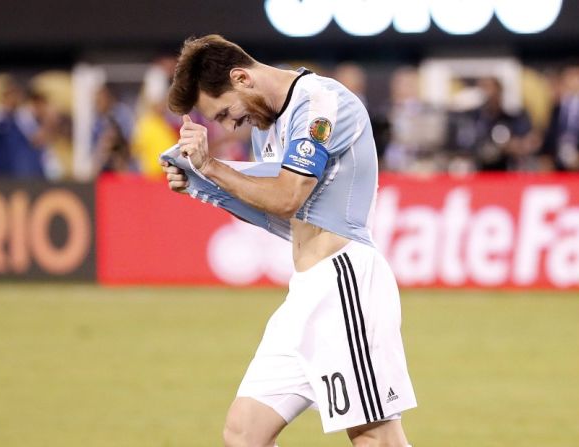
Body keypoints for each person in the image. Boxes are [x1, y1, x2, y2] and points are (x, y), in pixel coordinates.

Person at [160, 35, 416, 447]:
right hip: (306, 292)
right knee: (244, 433)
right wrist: (199, 181)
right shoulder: (268, 126)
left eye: (225, 112)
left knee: (374, 436)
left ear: (241, 77)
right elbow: (283, 218)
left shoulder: (318, 104)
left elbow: (285, 197)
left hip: (345, 281)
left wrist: (211, 166)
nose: (229, 125)